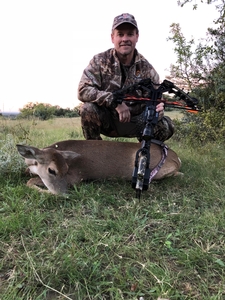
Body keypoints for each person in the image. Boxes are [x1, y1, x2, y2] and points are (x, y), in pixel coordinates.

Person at [77, 13, 174, 142]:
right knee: (87, 109)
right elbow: (83, 90)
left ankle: (146, 155)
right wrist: (113, 101)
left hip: (137, 123)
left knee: (166, 126)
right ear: (113, 37)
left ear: (137, 36)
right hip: (109, 120)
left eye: (130, 34)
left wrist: (158, 109)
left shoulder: (147, 69)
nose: (125, 39)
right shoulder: (99, 61)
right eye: (120, 34)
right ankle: (95, 154)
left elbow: (156, 100)